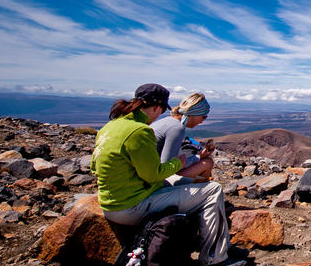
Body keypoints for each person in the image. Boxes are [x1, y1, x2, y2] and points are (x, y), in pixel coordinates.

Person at [90, 84, 245, 266]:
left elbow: (95, 166)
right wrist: (180, 161)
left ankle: (217, 243)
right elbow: (155, 174)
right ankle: (215, 259)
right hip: (131, 205)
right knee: (213, 190)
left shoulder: (112, 126)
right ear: (156, 107)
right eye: (161, 109)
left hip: (112, 201)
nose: (160, 116)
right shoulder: (140, 131)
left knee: (195, 188)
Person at [151, 92, 214, 186]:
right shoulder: (176, 128)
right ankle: (199, 194)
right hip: (156, 180)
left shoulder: (167, 121)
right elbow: (167, 165)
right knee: (207, 162)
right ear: (193, 113)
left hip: (149, 174)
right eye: (203, 116)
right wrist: (198, 157)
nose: (202, 121)